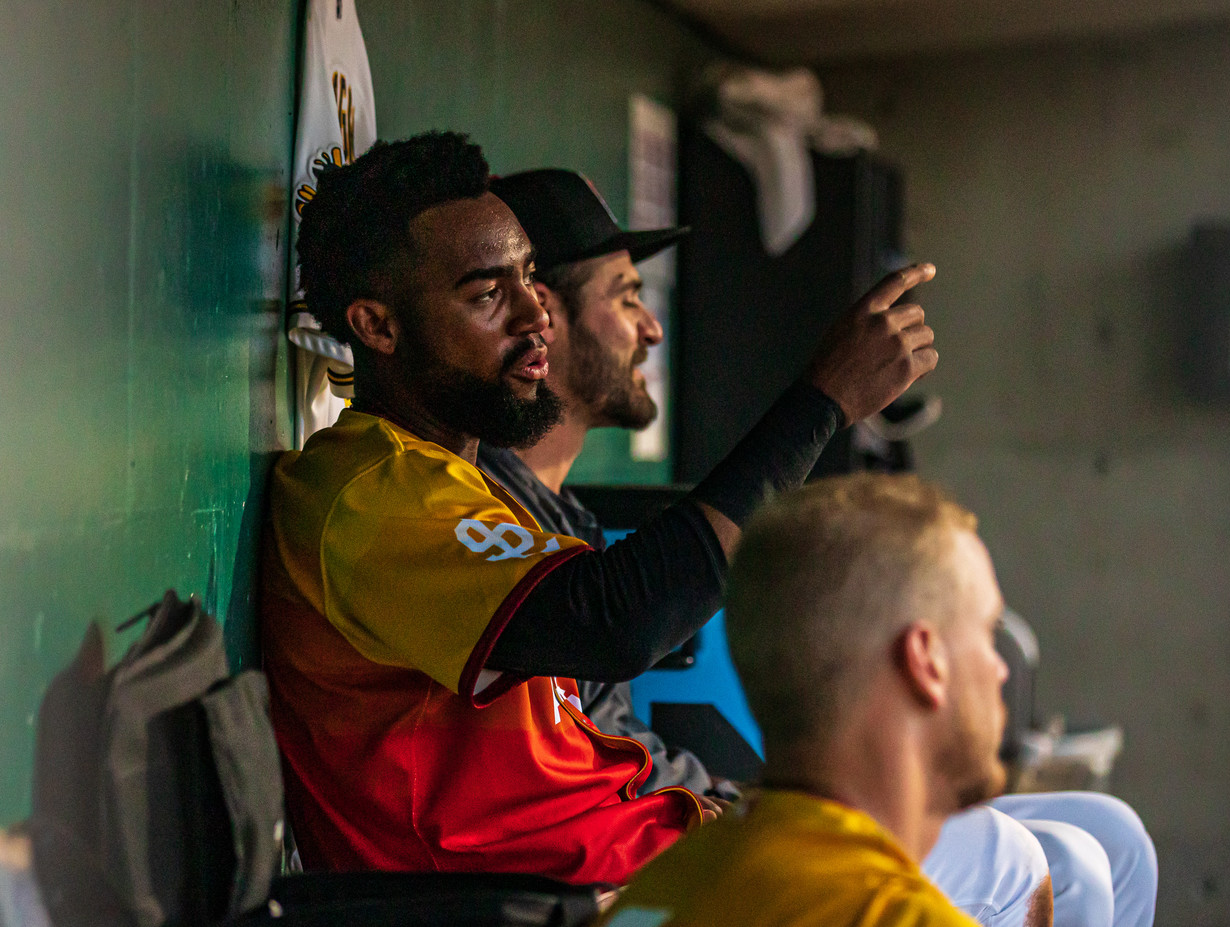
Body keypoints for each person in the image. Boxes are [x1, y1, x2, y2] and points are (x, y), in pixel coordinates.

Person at [258, 130, 938, 885]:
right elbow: (617, 621)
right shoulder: (367, 493)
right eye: (488, 294)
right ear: (377, 326)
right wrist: (820, 405)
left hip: (631, 862)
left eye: (528, 279)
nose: (533, 314)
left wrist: (708, 809)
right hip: (536, 901)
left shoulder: (453, 479)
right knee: (1007, 858)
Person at [484, 167, 1158, 927]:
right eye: (626, 295)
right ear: (545, 315)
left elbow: (617, 717)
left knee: (1112, 835)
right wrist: (824, 400)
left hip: (693, 805)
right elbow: (627, 623)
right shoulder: (479, 515)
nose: (652, 327)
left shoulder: (562, 512)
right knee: (1047, 860)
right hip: (641, 857)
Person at [597, 472, 1044, 927]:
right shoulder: (899, 917)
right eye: (986, 632)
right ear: (926, 660)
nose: (1000, 668)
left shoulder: (666, 881)